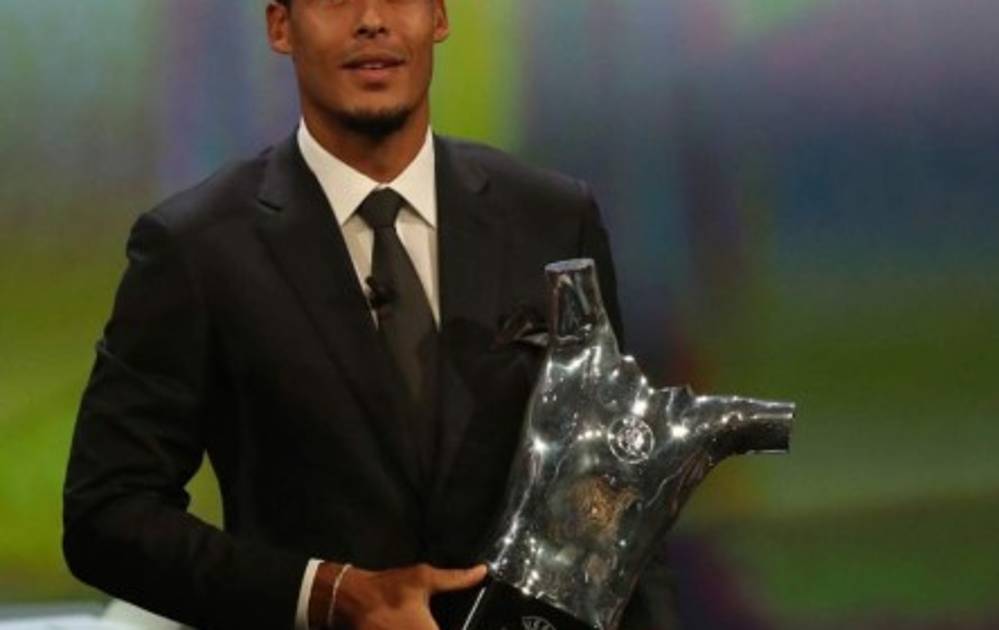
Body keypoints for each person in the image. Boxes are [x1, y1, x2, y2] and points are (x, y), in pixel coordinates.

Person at [61, 1, 678, 629]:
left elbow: (619, 489)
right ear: (280, 26)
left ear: (438, 17)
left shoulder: (551, 218)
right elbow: (105, 513)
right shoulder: (197, 247)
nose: (372, 19)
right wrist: (325, 595)